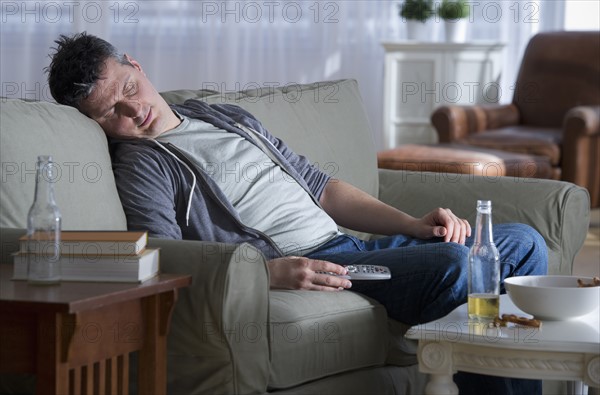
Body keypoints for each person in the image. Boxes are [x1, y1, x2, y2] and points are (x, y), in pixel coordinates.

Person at [47, 32, 547, 394]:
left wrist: (414, 225)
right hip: (323, 263)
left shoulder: (218, 114)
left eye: (128, 90)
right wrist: (262, 273)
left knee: (525, 242)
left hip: (354, 245)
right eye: (110, 113)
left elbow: (322, 187)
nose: (133, 113)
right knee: (454, 265)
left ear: (136, 65)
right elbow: (165, 256)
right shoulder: (140, 164)